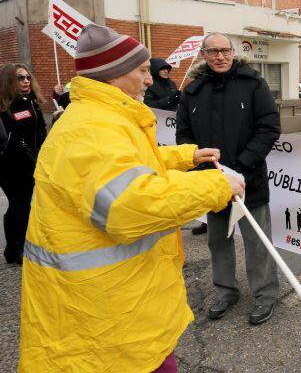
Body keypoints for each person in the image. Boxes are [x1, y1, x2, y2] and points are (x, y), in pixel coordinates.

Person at [18, 24, 245, 372]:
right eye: (141, 71)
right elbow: (129, 204)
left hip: (118, 304)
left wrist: (185, 156)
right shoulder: (90, 130)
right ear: (114, 75)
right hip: (102, 324)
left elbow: (128, 164)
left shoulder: (104, 119)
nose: (150, 79)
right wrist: (215, 186)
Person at [176, 32, 281, 325]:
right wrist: (205, 170)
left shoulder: (253, 84)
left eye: (224, 50)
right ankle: (226, 290)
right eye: (212, 52)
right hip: (212, 182)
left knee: (257, 242)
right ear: (204, 55)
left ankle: (265, 295)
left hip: (249, 181)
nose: (219, 56)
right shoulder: (193, 91)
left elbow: (269, 128)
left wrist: (242, 166)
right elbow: (183, 136)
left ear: (233, 52)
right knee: (217, 242)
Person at [0, 63, 47, 264]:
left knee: (25, 205)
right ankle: (13, 248)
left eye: (28, 77)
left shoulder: (31, 102)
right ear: (9, 81)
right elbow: (12, 138)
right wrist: (31, 158)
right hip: (11, 164)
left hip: (32, 161)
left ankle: (21, 245)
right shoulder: (5, 106)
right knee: (19, 205)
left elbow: (39, 131)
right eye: (20, 78)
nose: (26, 81)